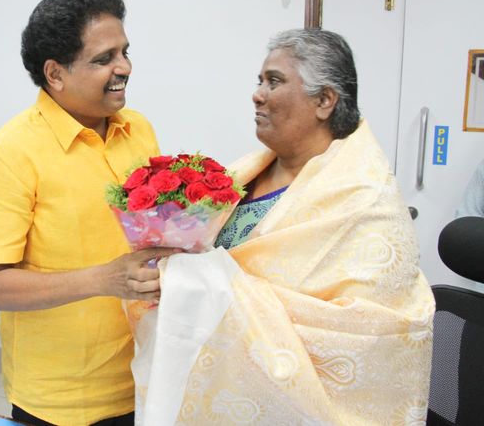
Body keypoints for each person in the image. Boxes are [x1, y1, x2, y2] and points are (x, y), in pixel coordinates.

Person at [131, 29, 434, 425]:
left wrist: (201, 284)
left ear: (324, 101)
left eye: (274, 81)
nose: (258, 94)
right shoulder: (244, 173)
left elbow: (369, 336)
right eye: (259, 80)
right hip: (215, 390)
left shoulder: (363, 200)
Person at [0, 0, 177, 426]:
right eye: (104, 59)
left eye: (125, 52)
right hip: (61, 401)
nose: (125, 68)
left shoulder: (138, 129)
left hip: (142, 376)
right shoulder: (12, 152)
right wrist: (104, 279)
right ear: (55, 74)